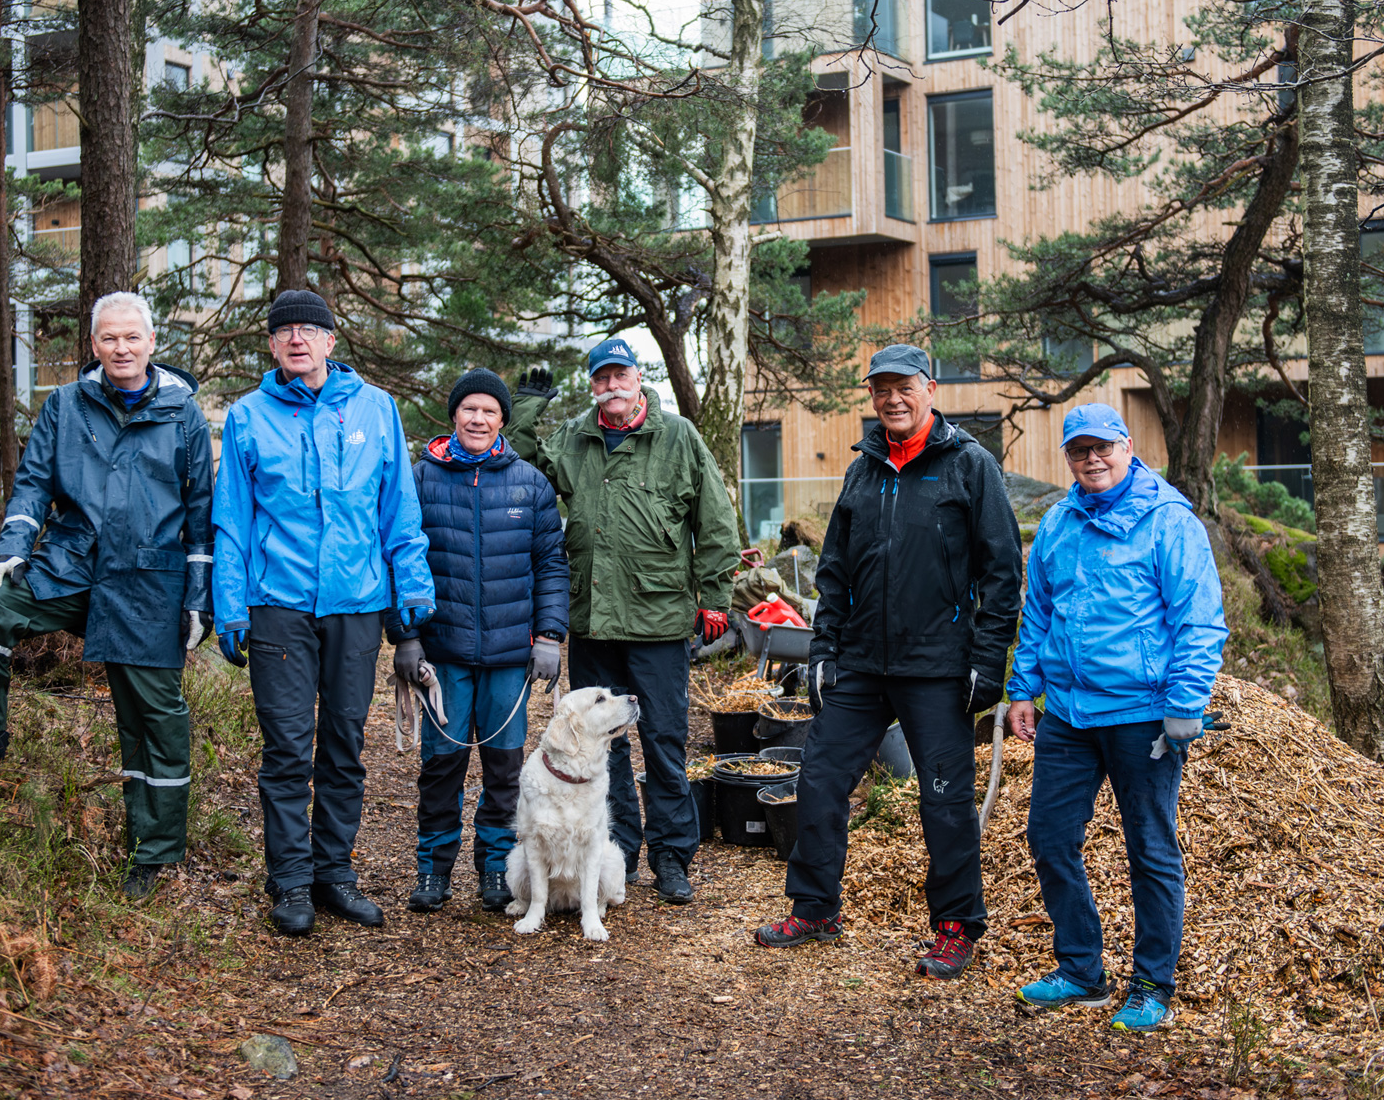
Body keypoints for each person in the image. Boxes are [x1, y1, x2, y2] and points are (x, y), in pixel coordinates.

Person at [751, 344, 1021, 979]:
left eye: (903, 387)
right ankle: (815, 909)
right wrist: (823, 651)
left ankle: (956, 927)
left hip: (939, 669)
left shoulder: (969, 467)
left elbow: (1003, 574)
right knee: (819, 781)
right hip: (862, 667)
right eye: (880, 390)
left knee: (945, 798)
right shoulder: (864, 469)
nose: (891, 400)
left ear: (929, 389)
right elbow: (835, 572)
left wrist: (987, 661)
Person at [0, 291, 214, 900]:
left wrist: (200, 599)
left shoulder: (183, 414)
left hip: (147, 581)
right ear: (93, 345)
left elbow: (202, 516)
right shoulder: (65, 405)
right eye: (109, 338)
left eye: (132, 338)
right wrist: (11, 551)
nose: (121, 348)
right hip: (68, 566)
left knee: (152, 716)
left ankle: (155, 852)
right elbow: (33, 485)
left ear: (152, 343)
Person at [213, 289, 436, 936]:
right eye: (284, 330)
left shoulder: (376, 409)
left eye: (310, 329)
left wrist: (412, 587)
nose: (297, 339)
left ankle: (333, 871)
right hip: (276, 604)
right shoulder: (249, 417)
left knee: (343, 744)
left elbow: (399, 510)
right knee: (286, 747)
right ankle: (288, 881)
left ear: (331, 342)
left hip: (357, 603)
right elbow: (231, 521)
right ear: (273, 345)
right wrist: (230, 606)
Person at [1006, 403, 1227, 1033]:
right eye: (1080, 451)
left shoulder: (1168, 522)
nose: (1092, 459)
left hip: (1143, 716)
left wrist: (1186, 704)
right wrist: (1025, 689)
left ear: (1127, 447)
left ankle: (1153, 982)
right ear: (1068, 458)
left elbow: (1199, 621)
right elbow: (1039, 614)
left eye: (1103, 447)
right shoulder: (1057, 523)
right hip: (1069, 716)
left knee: (1150, 848)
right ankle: (1080, 969)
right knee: (1049, 839)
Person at [509, 338, 742, 904]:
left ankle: (671, 856)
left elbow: (714, 519)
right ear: (593, 385)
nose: (613, 385)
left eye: (622, 375)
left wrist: (715, 594)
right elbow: (523, 463)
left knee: (664, 742)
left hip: (659, 619)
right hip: (592, 621)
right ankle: (622, 851)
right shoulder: (576, 437)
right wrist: (525, 410)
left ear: (639, 378)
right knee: (602, 747)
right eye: (602, 378)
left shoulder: (678, 436)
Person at [388, 369, 569, 916]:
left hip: (510, 657)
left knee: (504, 769)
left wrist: (551, 636)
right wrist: (405, 636)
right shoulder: (419, 479)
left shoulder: (530, 484)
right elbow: (397, 556)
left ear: (502, 421)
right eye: (469, 409)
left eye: (489, 411)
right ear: (453, 417)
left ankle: (495, 867)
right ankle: (432, 868)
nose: (478, 419)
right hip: (441, 656)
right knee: (441, 766)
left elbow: (551, 565)